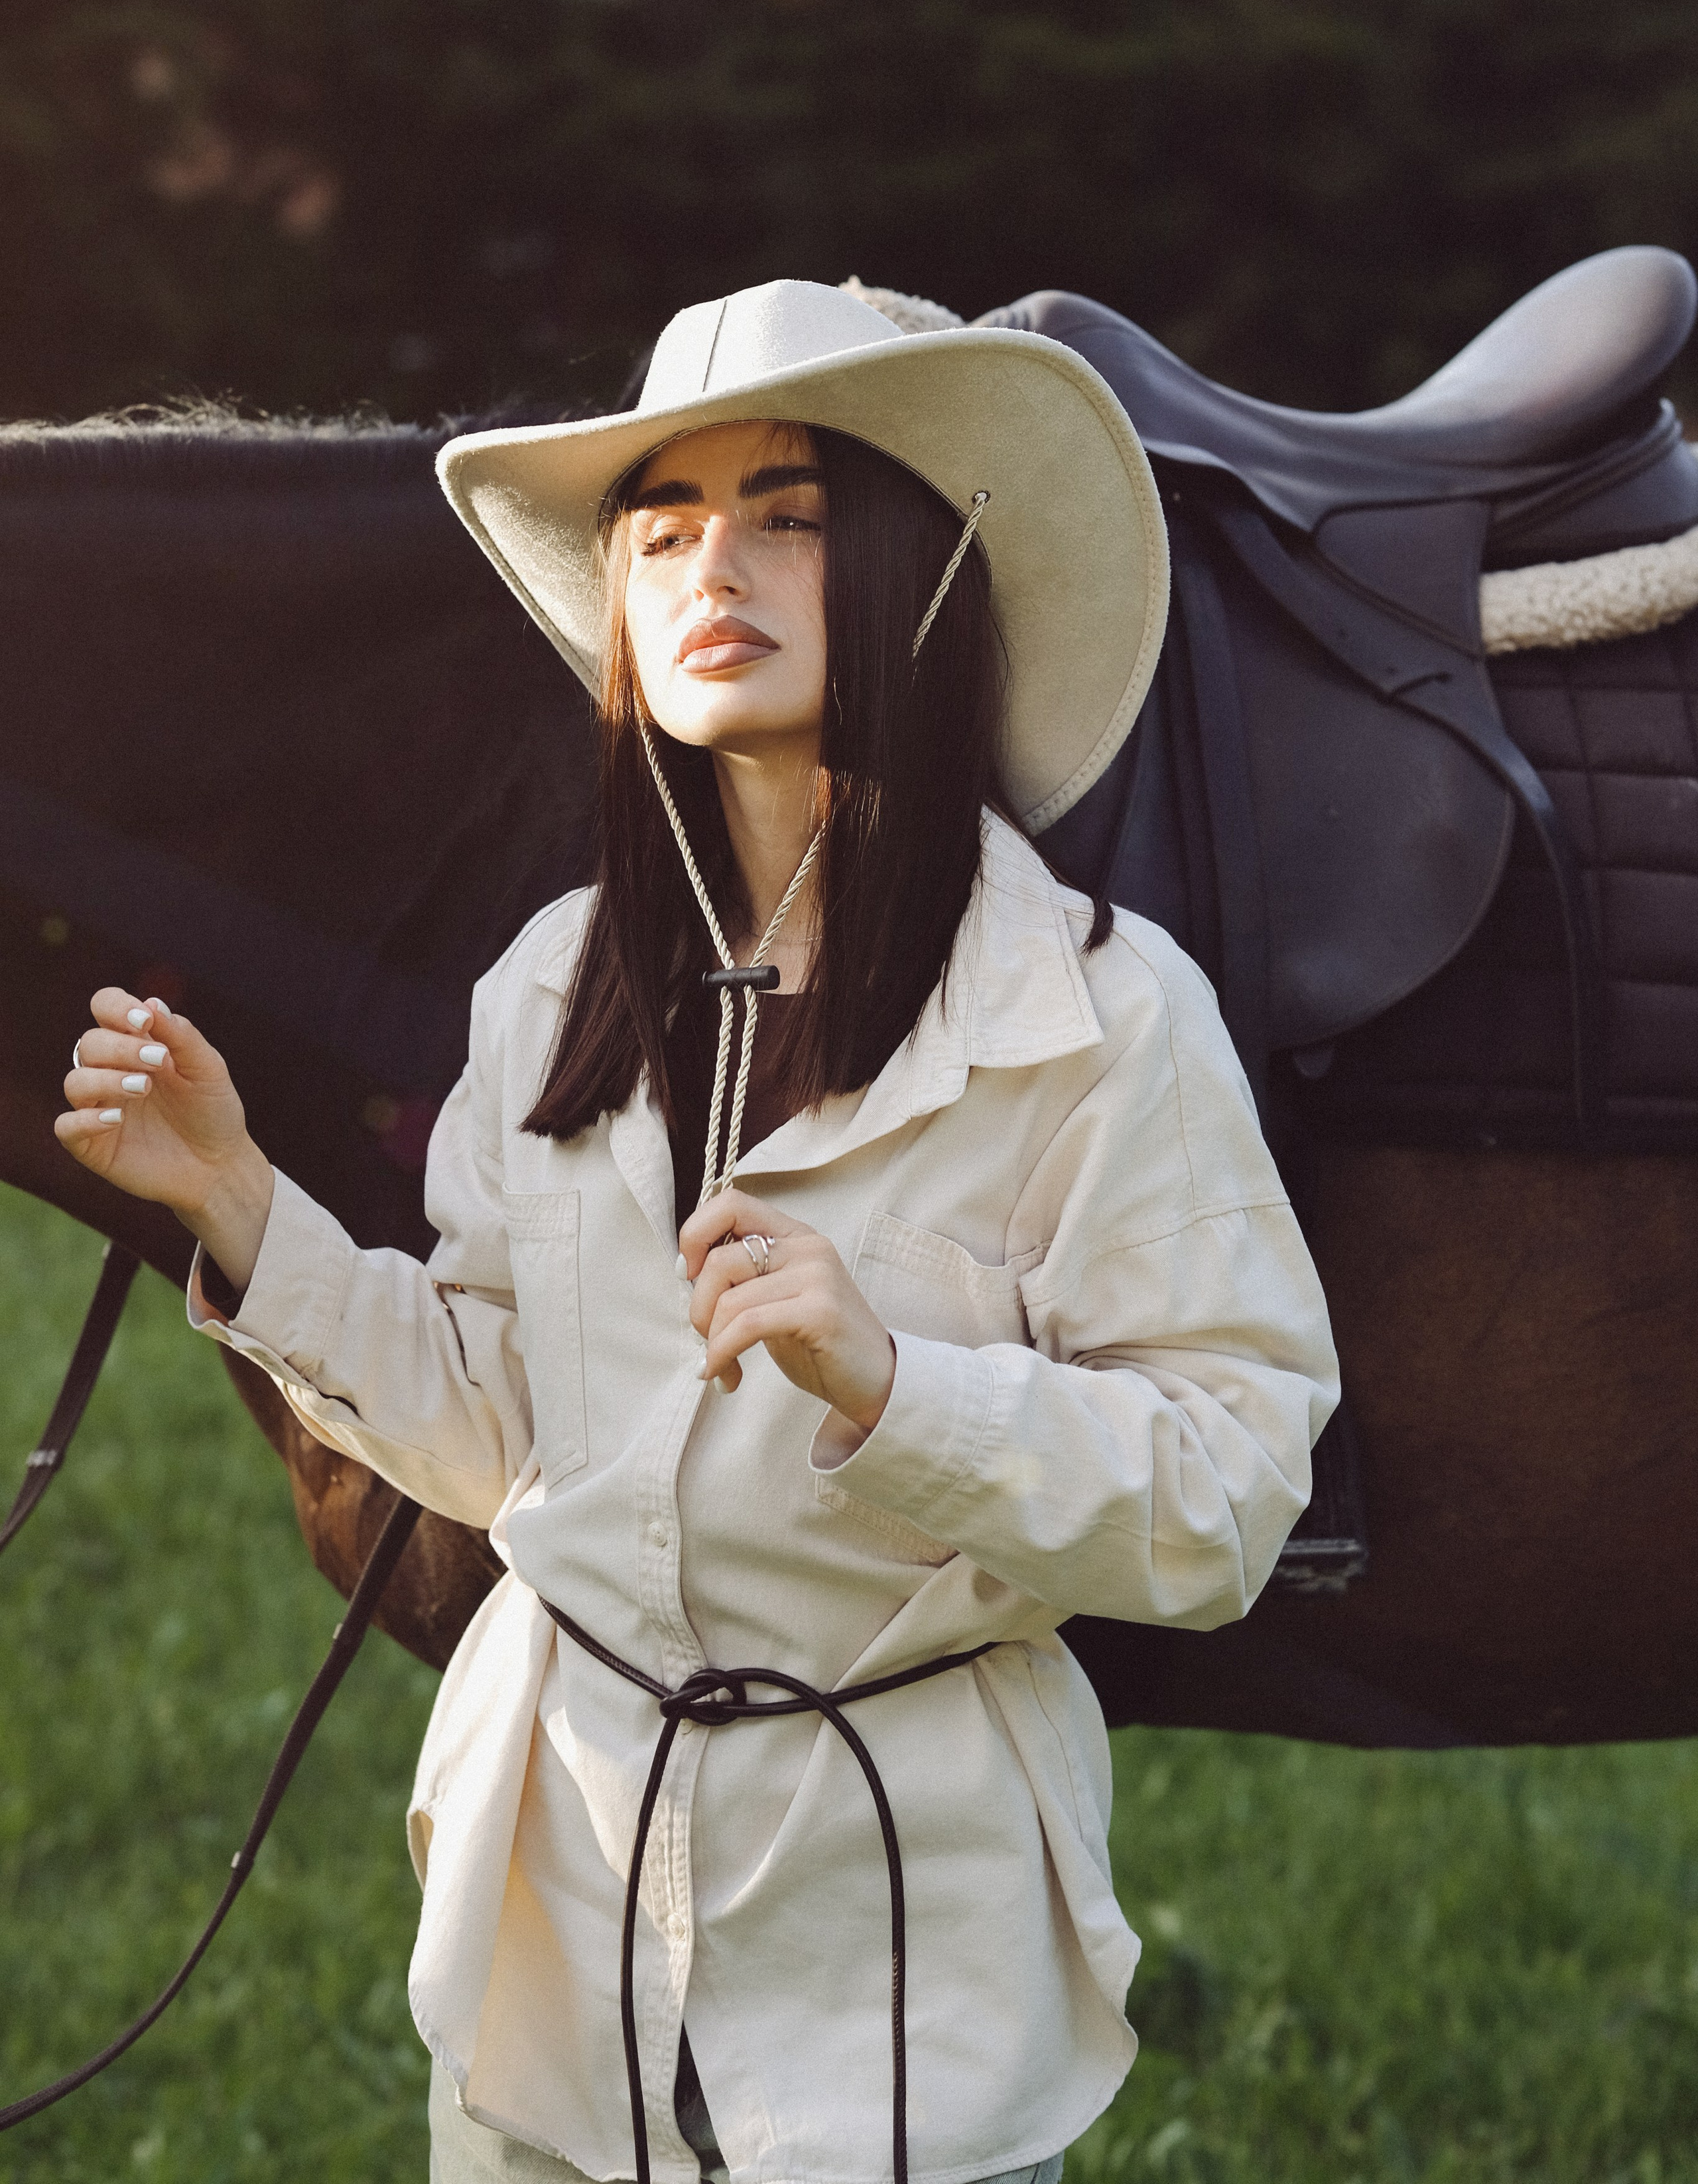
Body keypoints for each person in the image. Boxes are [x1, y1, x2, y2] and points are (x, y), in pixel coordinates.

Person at [57, 280, 1338, 2184]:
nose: (707, 566)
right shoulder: (552, 986)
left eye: (788, 516)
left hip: (894, 1930)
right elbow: (505, 1441)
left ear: (914, 573)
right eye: (659, 529)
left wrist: (896, 1387)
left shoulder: (1100, 1015)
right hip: (557, 1890)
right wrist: (242, 1199)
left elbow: (1229, 1496)